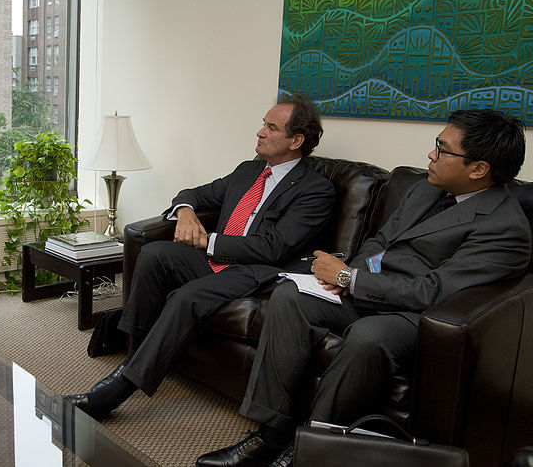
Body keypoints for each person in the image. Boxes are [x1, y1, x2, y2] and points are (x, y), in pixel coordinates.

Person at [196, 108, 532, 467]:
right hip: (372, 290)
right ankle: (270, 433)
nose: (430, 155)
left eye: (442, 149)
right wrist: (348, 275)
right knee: (289, 295)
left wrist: (349, 279)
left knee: (369, 335)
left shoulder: (504, 228)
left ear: (479, 169)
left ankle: (311, 449)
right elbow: (380, 241)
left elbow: (433, 292)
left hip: (419, 316)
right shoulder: (426, 188)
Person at [65, 94, 336, 419]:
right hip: (219, 261)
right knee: (153, 254)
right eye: (263, 123)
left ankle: (120, 388)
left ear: (296, 140)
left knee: (186, 296)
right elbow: (194, 193)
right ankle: (133, 354)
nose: (260, 132)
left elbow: (273, 247)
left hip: (260, 272)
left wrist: (208, 240)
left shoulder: (315, 189)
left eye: (271, 127)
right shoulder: (249, 171)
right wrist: (186, 213)